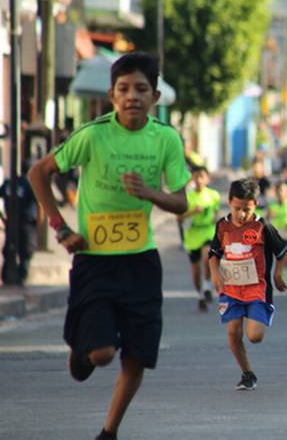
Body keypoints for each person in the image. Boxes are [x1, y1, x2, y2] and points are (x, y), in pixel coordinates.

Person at [27, 53, 190, 440]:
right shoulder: (93, 134)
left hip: (142, 262)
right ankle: (83, 348)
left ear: (155, 97)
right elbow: (39, 173)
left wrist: (150, 193)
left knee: (138, 356)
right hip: (96, 261)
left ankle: (109, 431)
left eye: (141, 89)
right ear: (111, 96)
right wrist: (60, 227)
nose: (132, 96)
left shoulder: (166, 138)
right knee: (101, 355)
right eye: (124, 89)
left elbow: (182, 203)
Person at [209, 178, 287, 390]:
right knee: (233, 332)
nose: (242, 214)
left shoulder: (263, 227)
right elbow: (213, 254)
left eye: (247, 209)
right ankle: (247, 373)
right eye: (237, 209)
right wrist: (215, 274)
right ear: (229, 202)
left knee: (254, 336)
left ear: (256, 204)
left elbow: (282, 251)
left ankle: (255, 314)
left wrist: (278, 275)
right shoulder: (222, 226)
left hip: (257, 289)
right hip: (231, 289)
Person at [178, 165, 220, 312]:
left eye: (201, 176)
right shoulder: (188, 197)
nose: (199, 180)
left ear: (207, 179)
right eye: (195, 176)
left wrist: (215, 219)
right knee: (196, 270)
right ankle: (200, 295)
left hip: (208, 232)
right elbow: (179, 218)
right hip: (192, 235)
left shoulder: (214, 195)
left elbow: (216, 212)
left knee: (207, 255)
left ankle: (208, 285)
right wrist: (192, 213)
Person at [0, 161, 40, 286]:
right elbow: (40, 204)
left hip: (11, 223)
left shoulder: (9, 183)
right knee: (26, 253)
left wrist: (3, 217)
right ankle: (20, 280)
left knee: (9, 251)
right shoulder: (30, 184)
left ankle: (8, 278)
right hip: (26, 223)